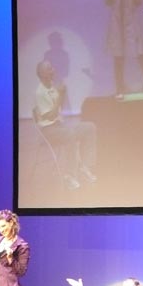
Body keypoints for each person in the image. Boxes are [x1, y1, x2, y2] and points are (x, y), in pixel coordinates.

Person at [35, 60, 97, 191]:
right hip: (49, 131)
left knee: (89, 127)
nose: (53, 70)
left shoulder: (51, 86)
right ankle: (69, 176)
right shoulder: (40, 93)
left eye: (52, 67)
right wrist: (61, 95)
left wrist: (60, 95)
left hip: (60, 127)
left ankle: (84, 167)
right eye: (49, 69)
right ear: (42, 74)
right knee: (69, 135)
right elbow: (50, 116)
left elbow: (58, 109)